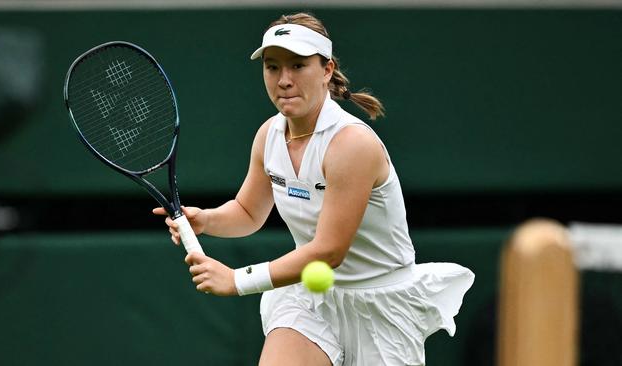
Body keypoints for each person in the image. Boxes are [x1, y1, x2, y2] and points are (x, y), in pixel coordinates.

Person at [153, 12, 474, 366]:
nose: (284, 80)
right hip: (311, 298)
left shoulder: (352, 145)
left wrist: (237, 280)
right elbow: (248, 212)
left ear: (326, 70)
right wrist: (207, 220)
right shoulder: (268, 136)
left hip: (382, 306)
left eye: (298, 66)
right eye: (272, 67)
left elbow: (329, 251)